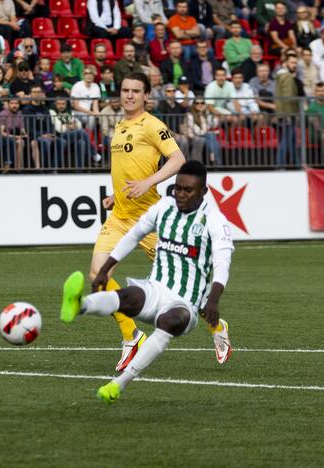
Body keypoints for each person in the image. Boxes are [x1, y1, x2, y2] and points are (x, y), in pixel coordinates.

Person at [88, 71, 229, 372]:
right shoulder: (119, 126)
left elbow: (177, 160)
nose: (128, 96)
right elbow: (128, 168)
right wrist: (116, 194)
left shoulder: (153, 126)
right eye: (125, 90)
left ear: (146, 96)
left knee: (186, 288)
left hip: (151, 222)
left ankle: (217, 327)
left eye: (135, 91)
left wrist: (147, 182)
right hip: (120, 217)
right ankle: (131, 337)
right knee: (97, 274)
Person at [61, 160, 234, 404]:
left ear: (204, 192)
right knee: (127, 297)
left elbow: (222, 264)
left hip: (186, 304)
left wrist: (214, 300)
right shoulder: (164, 206)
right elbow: (134, 234)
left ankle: (118, 384)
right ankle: (78, 305)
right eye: (178, 188)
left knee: (169, 321)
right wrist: (106, 269)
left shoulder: (214, 220)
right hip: (156, 289)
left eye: (188, 190)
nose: (181, 194)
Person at [275, 52, 300, 167]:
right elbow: (287, 97)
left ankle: (296, 164)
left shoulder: (281, 75)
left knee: (289, 140)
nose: (294, 65)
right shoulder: (287, 77)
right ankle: (281, 165)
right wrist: (289, 115)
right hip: (288, 114)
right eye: (292, 62)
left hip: (284, 113)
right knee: (286, 140)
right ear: (285, 63)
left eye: (296, 63)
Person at [184, 95, 222, 163]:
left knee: (212, 136)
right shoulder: (190, 115)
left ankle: (214, 158)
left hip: (204, 136)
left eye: (202, 103)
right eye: (197, 103)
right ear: (194, 105)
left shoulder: (206, 114)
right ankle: (215, 160)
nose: (200, 105)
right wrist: (202, 117)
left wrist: (217, 118)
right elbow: (198, 131)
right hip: (192, 136)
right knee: (210, 136)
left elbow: (213, 125)